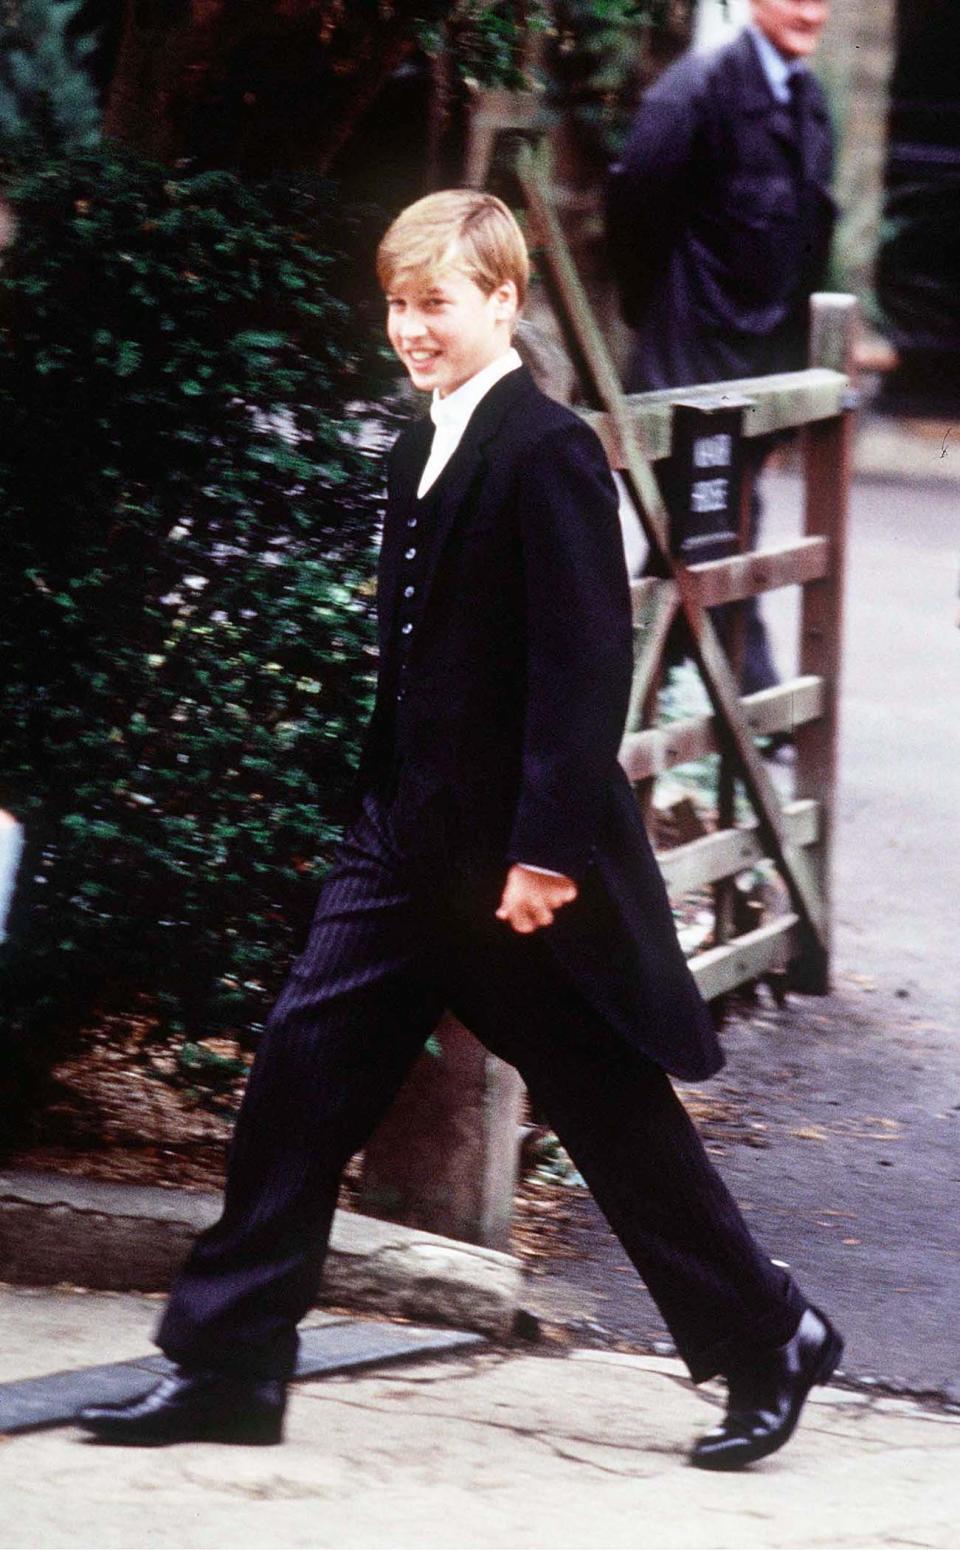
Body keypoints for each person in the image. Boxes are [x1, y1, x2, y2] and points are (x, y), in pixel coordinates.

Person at [79, 190, 841, 1469]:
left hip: (511, 869)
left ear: (505, 300)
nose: (412, 327)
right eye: (398, 301)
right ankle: (227, 1366)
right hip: (401, 848)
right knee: (297, 1080)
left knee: (609, 1107)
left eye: (437, 302)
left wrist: (545, 852)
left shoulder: (545, 447)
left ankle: (770, 1335)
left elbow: (584, 667)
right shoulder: (417, 442)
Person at [607, 0, 836, 696]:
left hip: (760, 365)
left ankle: (636, 700)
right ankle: (739, 695)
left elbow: (804, 242)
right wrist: (663, 315)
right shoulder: (697, 90)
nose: (811, 10)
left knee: (700, 532)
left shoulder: (806, 98)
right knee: (704, 524)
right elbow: (635, 208)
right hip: (689, 358)